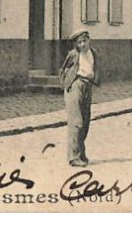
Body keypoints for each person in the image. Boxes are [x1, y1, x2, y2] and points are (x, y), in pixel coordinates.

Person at [59, 29, 100, 167]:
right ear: (76, 44)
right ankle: (73, 157)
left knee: (86, 121)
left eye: (84, 41)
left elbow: (96, 68)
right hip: (76, 85)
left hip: (87, 86)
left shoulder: (93, 53)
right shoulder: (73, 55)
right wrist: (68, 84)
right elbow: (63, 70)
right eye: (79, 42)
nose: (82, 44)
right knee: (77, 121)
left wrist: (95, 79)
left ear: (89, 40)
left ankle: (81, 153)